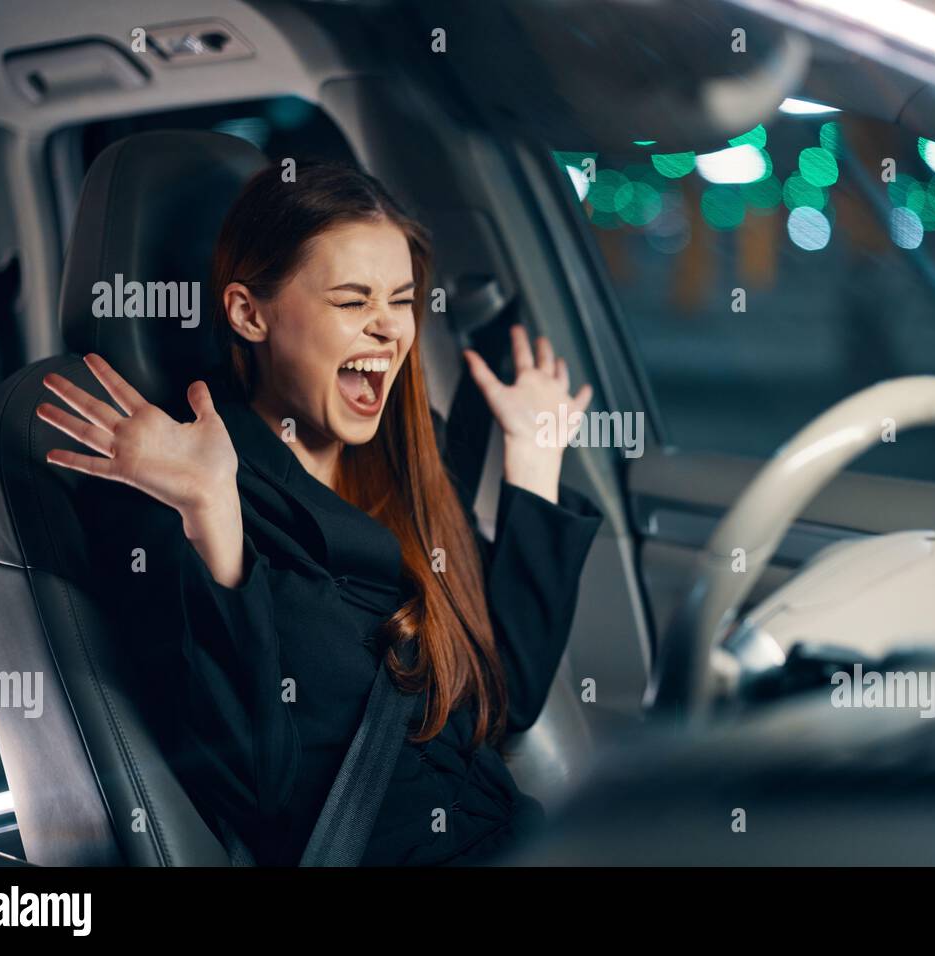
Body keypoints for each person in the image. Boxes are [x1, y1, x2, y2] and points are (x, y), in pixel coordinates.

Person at [34, 162, 604, 865]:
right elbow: (259, 788)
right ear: (249, 313)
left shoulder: (401, 466)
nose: (387, 329)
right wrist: (214, 519)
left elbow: (498, 703)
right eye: (350, 301)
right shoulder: (176, 492)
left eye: (400, 300)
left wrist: (535, 462)